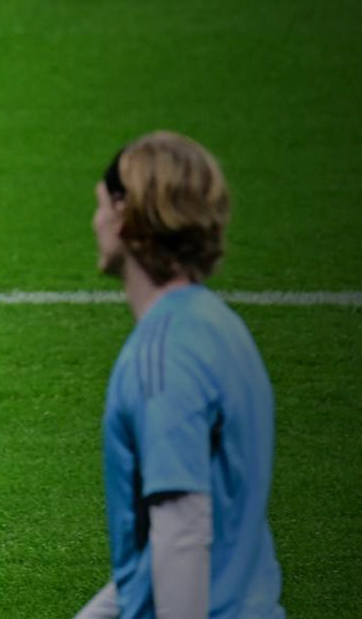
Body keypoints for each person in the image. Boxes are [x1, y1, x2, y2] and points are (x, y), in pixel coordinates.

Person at [73, 132, 285, 619]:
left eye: (101, 205)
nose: (95, 221)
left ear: (125, 213)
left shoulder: (164, 356)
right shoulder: (220, 328)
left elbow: (183, 535)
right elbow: (162, 557)